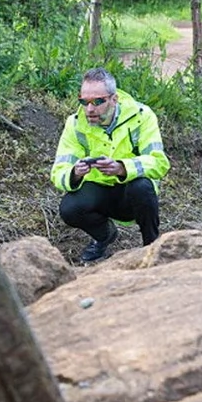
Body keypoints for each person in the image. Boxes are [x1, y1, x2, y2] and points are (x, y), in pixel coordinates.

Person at [50, 67, 170, 262]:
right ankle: (104, 236)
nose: (89, 109)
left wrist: (123, 167)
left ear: (114, 99)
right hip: (99, 193)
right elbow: (58, 171)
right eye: (84, 102)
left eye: (98, 102)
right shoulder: (74, 123)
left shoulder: (142, 115)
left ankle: (151, 246)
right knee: (69, 208)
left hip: (132, 193)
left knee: (143, 186)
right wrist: (75, 173)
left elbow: (159, 162)